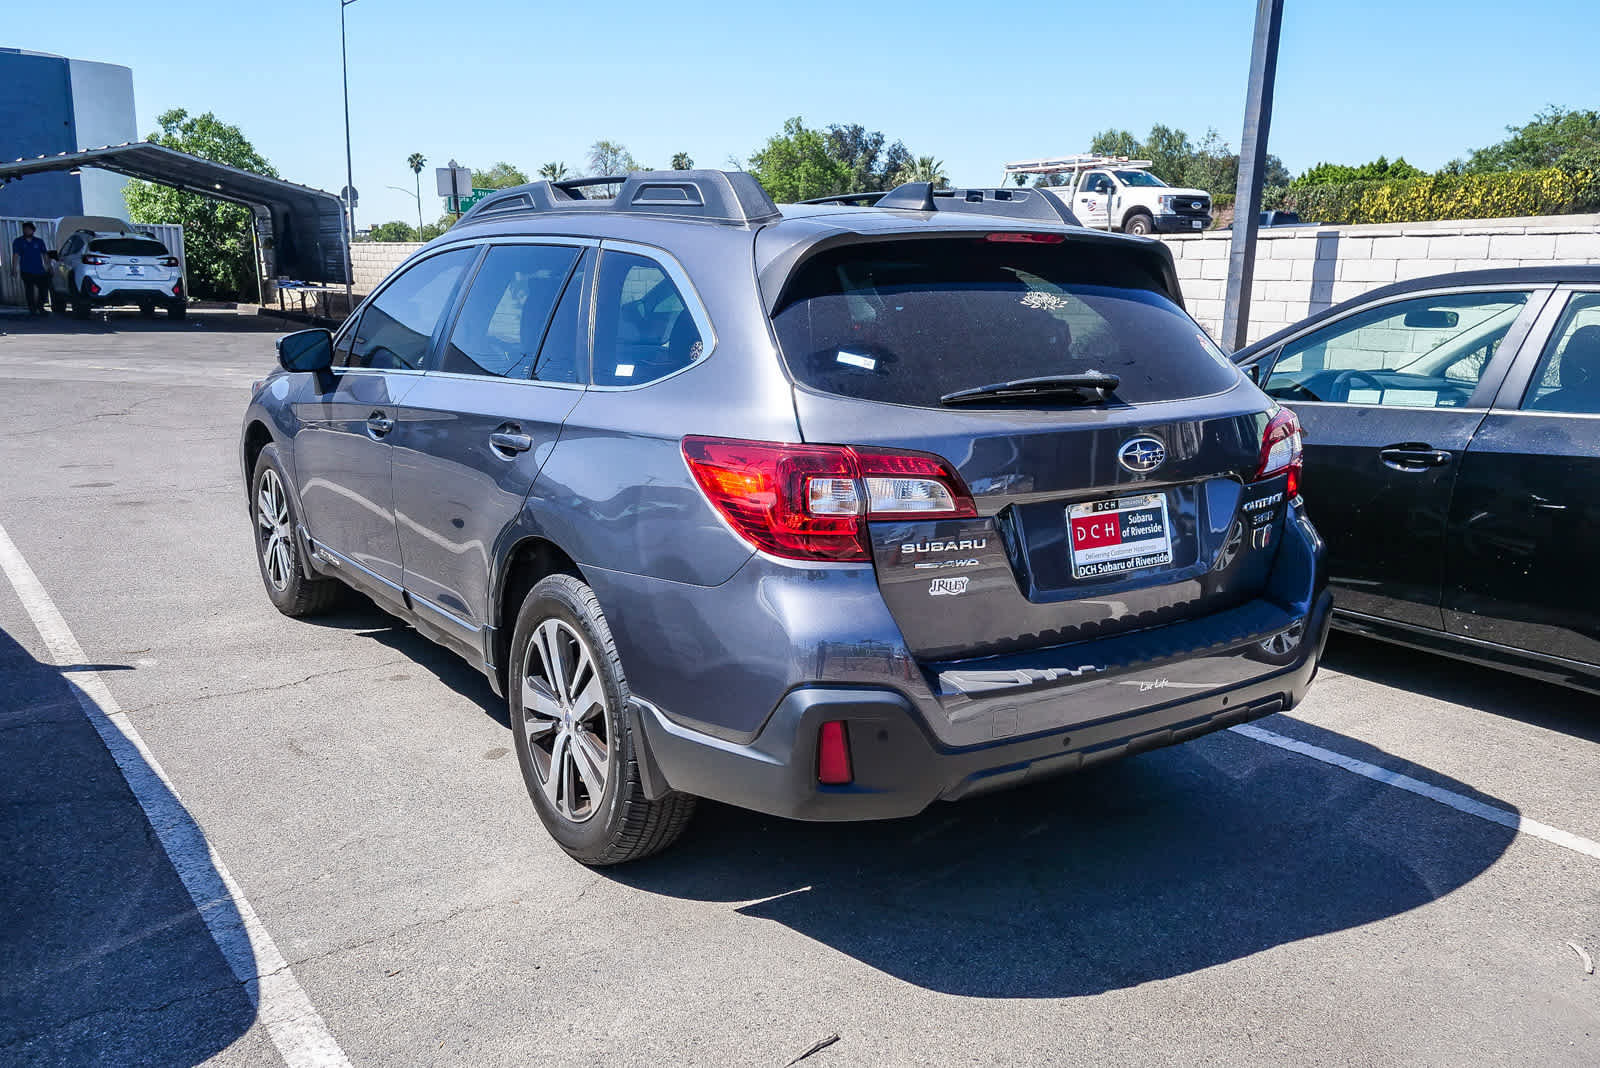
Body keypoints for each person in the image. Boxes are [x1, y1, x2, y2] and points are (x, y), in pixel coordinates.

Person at [11, 222, 51, 316]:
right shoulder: (18, 241)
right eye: (25, 229)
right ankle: (32, 309)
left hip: (39, 270)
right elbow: (16, 255)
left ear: (33, 230)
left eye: (29, 229)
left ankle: (40, 307)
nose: (27, 231)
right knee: (29, 290)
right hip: (26, 270)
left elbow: (44, 255)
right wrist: (14, 269)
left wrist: (49, 267)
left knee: (43, 289)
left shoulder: (39, 241)